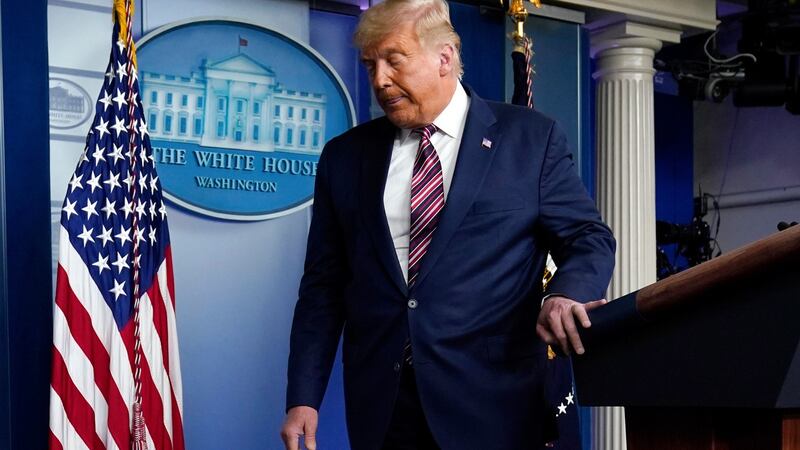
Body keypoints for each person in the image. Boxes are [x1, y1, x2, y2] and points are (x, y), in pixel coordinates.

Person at [280, 1, 615, 449]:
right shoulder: (344, 157)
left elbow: (588, 237)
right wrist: (304, 398)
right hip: (385, 411)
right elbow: (323, 286)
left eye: (394, 61)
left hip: (497, 407)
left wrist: (566, 292)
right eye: (370, 65)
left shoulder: (531, 139)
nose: (380, 79)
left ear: (444, 57)